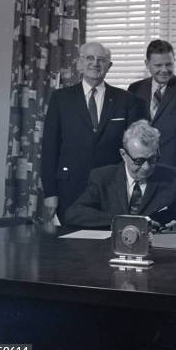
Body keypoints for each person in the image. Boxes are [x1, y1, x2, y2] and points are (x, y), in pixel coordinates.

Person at [42, 42, 140, 222]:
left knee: (107, 244)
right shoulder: (61, 98)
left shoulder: (125, 100)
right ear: (79, 63)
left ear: (108, 66)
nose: (95, 63)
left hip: (111, 188)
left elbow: (133, 150)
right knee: (68, 246)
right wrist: (50, 193)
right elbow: (49, 149)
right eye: (89, 58)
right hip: (69, 188)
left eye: (101, 60)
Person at [65, 120, 176, 232]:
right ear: (124, 155)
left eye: (152, 159)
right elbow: (74, 214)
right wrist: (124, 222)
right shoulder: (102, 177)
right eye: (139, 161)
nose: (147, 167)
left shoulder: (173, 179)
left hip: (158, 252)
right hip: (109, 251)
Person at [127, 40, 176, 168]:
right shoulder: (135, 89)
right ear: (147, 64)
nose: (164, 70)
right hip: (139, 167)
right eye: (158, 65)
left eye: (169, 64)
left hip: (172, 167)